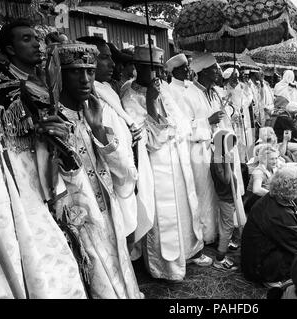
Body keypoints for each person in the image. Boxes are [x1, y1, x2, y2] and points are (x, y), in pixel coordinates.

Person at [0, 20, 87, 298]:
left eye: (37, 38)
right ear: (9, 48)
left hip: (46, 168)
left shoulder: (42, 81)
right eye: (26, 39)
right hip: (16, 174)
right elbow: (7, 132)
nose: (36, 44)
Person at [54, 41, 143, 298]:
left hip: (109, 213)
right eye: (75, 71)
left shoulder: (96, 113)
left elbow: (127, 174)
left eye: (90, 72)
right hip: (78, 223)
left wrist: (99, 130)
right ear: (59, 73)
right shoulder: (51, 122)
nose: (84, 79)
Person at [123, 44, 209, 280]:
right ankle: (167, 266)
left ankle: (190, 251)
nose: (156, 75)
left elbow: (181, 124)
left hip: (178, 157)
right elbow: (149, 138)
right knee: (164, 212)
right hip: (157, 164)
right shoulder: (129, 96)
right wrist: (151, 102)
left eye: (158, 69)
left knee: (185, 205)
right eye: (150, 69)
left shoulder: (164, 90)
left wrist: (160, 101)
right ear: (137, 68)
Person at [77, 36, 140, 240]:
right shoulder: (85, 95)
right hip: (107, 177)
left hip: (125, 169)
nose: (112, 64)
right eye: (104, 58)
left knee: (129, 230)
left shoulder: (106, 89)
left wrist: (133, 131)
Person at [182, 52, 246, 245]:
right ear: (202, 72)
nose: (219, 72)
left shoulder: (215, 93)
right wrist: (206, 121)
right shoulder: (188, 94)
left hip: (219, 149)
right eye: (214, 69)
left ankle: (223, 232)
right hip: (200, 153)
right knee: (205, 194)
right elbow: (184, 127)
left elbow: (223, 121)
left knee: (224, 190)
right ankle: (207, 234)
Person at [241, 166, 297, 288]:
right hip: (260, 263)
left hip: (271, 248)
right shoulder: (275, 212)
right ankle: (269, 277)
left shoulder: (285, 198)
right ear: (291, 188)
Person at [210, 130, 240, 270]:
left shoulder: (221, 155)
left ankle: (225, 245)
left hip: (229, 196)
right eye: (229, 144)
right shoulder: (218, 159)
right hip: (226, 197)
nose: (232, 147)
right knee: (227, 228)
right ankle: (219, 259)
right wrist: (228, 161)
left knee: (227, 226)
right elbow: (227, 179)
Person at [243, 144, 279, 213]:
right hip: (254, 206)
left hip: (265, 203)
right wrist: (275, 196)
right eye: (272, 159)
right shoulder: (258, 172)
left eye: (276, 158)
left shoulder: (271, 169)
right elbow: (256, 190)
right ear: (264, 159)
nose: (275, 161)